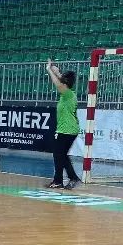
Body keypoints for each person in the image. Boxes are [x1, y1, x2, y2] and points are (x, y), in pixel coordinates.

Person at [45, 59, 81, 189]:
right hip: (68, 130)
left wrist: (49, 70)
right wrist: (57, 71)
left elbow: (59, 84)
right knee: (61, 155)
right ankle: (59, 181)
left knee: (60, 155)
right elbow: (62, 82)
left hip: (66, 130)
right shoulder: (69, 94)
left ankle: (72, 178)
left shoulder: (67, 94)